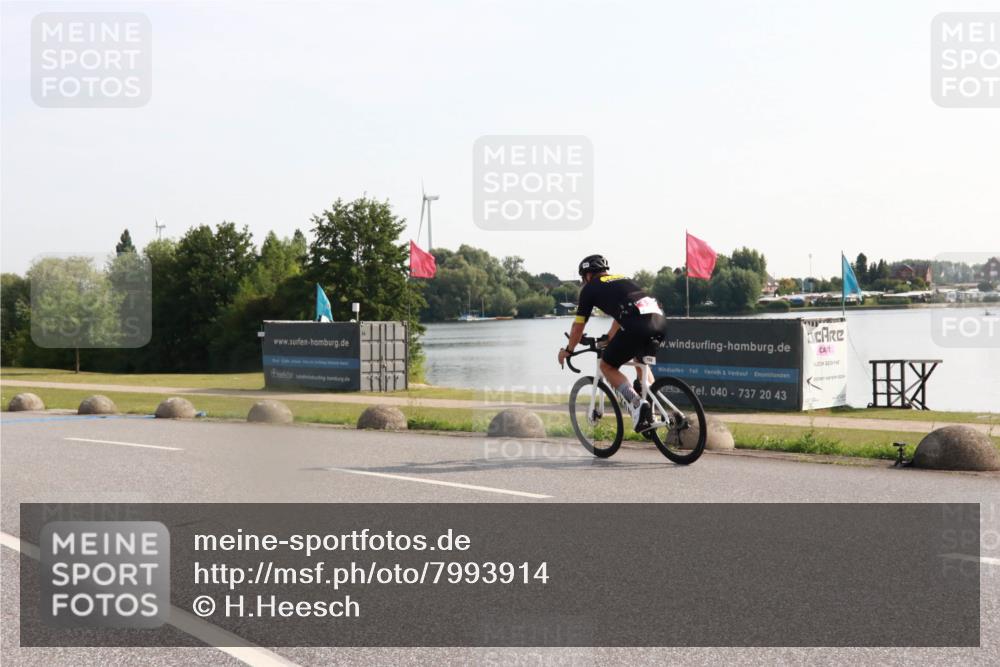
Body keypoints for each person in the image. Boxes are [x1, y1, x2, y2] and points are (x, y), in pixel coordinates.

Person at [558, 254, 668, 432]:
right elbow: (623, 314)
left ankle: (637, 404)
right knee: (640, 364)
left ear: (587, 275)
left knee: (607, 366)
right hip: (659, 322)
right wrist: (609, 337)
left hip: (637, 325)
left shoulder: (590, 288)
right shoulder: (622, 278)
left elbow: (578, 327)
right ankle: (653, 414)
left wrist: (568, 350)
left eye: (583, 278)